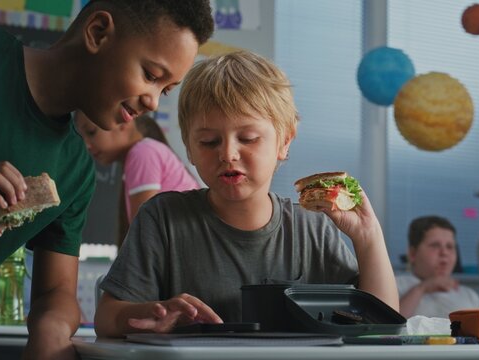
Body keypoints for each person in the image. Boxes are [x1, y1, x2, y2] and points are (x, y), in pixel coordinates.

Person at [0, 0, 214, 358]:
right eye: (151, 75)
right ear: (97, 33)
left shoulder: (75, 169)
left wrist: (51, 332)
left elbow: (55, 293)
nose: (153, 102)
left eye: (166, 89)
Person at [94, 50, 399, 337]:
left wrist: (368, 236)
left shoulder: (312, 228)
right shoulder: (163, 219)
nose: (228, 154)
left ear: (285, 141)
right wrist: (154, 312)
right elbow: (107, 317)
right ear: (188, 147)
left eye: (248, 138)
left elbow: (379, 322)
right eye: (210, 142)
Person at [75, 111, 201, 247]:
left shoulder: (142, 153)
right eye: (82, 137)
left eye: (91, 132)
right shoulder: (144, 151)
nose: (87, 145)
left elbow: (144, 236)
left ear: (123, 122)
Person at [396, 216, 479, 318]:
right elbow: (388, 328)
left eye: (450, 246)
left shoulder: (469, 295)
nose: (444, 252)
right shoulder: (395, 285)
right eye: (435, 245)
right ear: (412, 254)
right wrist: (422, 288)